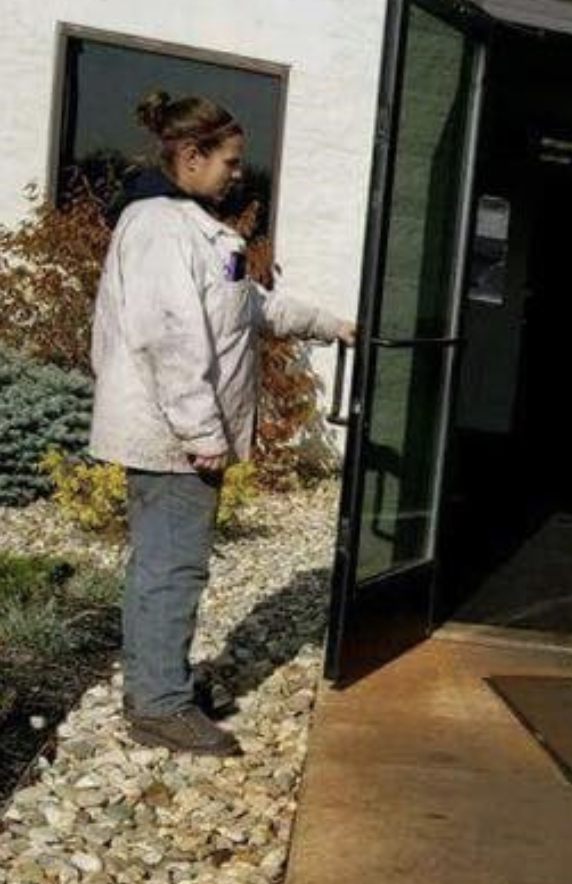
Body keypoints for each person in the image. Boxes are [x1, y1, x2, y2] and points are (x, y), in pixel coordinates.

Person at [89, 91, 355, 756]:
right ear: (190, 154)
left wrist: (331, 325)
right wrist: (203, 435)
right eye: (229, 161)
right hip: (171, 438)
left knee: (173, 563)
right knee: (171, 568)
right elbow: (170, 339)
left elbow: (247, 305)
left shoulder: (195, 228)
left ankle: (161, 683)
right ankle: (158, 706)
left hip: (178, 436)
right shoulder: (158, 228)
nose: (237, 172)